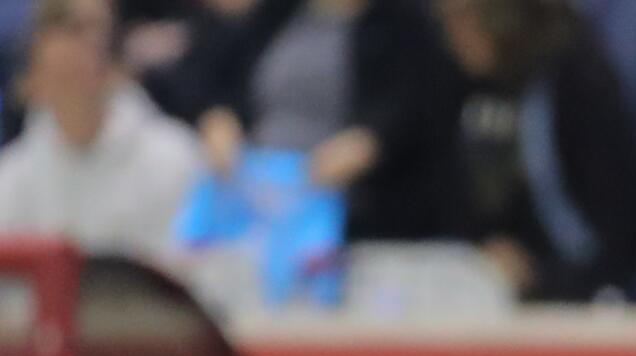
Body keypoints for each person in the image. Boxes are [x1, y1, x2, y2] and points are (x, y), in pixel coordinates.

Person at [435, 0, 636, 301]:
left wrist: (545, 278)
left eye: (464, 23)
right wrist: (488, 249)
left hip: (607, 284)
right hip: (521, 280)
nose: (453, 40)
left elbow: (622, 224)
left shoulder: (577, 83)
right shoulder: (473, 92)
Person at [188, 0, 455, 242]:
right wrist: (219, 115)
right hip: (251, 172)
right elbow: (218, 79)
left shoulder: (404, 24)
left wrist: (373, 141)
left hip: (342, 198)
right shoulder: (277, 12)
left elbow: (417, 108)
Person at [0, 0, 200, 258]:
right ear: (34, 77)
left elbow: (197, 277)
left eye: (96, 33)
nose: (86, 48)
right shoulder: (11, 182)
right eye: (72, 32)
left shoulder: (175, 159)